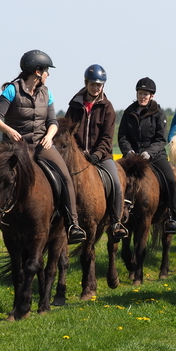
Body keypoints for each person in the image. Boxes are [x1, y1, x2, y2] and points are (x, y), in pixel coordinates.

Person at [0, 50, 86, 253]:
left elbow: (52, 121)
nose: (48, 74)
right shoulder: (12, 91)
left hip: (41, 145)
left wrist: (49, 136)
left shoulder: (46, 93)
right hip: (15, 147)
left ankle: (72, 224)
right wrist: (8, 130)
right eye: (47, 70)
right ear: (37, 71)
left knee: (65, 176)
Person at [65, 64, 128, 240]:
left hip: (101, 156)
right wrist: (77, 152)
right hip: (76, 156)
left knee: (115, 182)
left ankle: (116, 222)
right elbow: (69, 133)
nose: (96, 88)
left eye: (99, 85)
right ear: (86, 83)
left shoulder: (107, 107)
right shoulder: (75, 105)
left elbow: (107, 138)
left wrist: (97, 155)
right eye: (92, 84)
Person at [118, 77, 176, 233]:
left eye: (146, 94)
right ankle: (115, 218)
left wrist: (149, 153)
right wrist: (128, 152)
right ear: (137, 93)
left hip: (155, 156)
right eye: (140, 93)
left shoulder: (159, 113)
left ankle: (172, 217)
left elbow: (161, 139)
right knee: (115, 177)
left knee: (171, 179)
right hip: (132, 157)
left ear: (151, 96)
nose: (142, 97)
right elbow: (122, 136)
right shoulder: (128, 112)